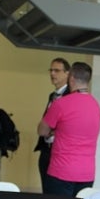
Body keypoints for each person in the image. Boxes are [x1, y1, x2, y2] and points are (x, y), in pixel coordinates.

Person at [37, 62, 100, 196]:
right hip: (87, 174)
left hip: (61, 171)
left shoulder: (61, 104)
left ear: (70, 78)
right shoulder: (96, 106)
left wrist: (54, 130)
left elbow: (42, 131)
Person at [34, 58, 70, 187]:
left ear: (67, 73)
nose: (52, 74)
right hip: (46, 148)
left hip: (60, 150)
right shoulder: (53, 95)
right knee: (46, 188)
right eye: (51, 70)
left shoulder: (70, 96)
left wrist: (52, 131)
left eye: (57, 70)